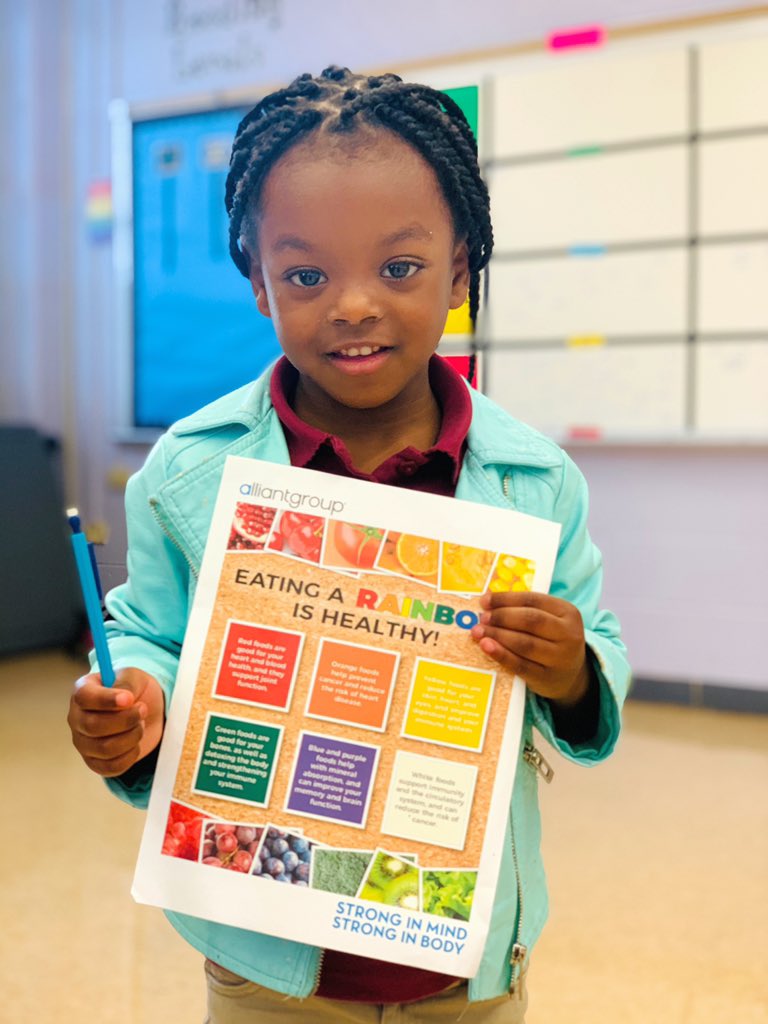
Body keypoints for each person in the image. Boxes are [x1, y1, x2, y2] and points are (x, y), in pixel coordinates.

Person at [68, 66, 630, 1023]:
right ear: (259, 285)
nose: (356, 305)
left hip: (465, 964)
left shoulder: (533, 482)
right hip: (267, 966)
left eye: (400, 268)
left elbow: (597, 653)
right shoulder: (190, 475)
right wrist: (134, 703)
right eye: (307, 275)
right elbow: (151, 636)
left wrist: (572, 668)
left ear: (461, 271)